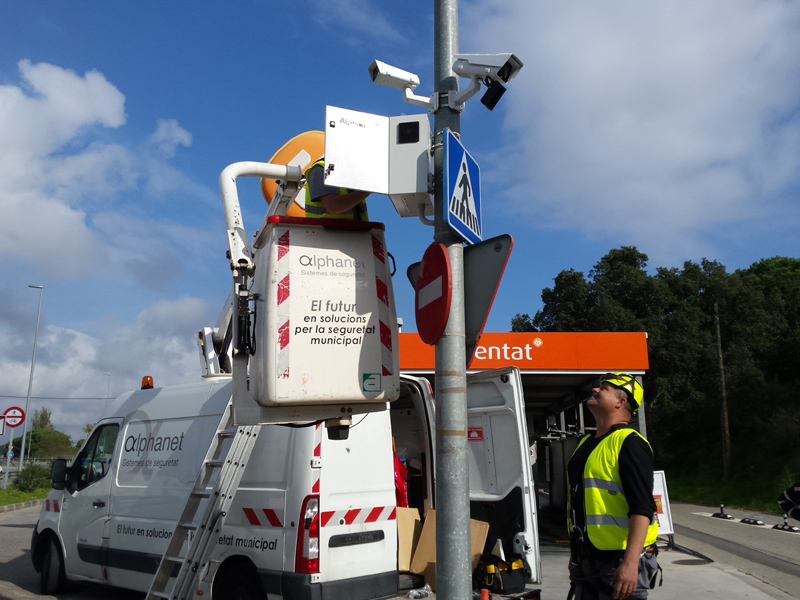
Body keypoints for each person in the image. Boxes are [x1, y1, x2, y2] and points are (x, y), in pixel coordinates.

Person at [567, 372, 660, 600]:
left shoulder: (630, 442)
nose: (595, 390)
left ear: (621, 402)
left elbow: (642, 507)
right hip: (588, 559)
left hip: (620, 561)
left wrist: (630, 563)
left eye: (604, 388)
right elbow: (580, 502)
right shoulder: (585, 444)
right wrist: (575, 553)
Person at [304, 158, 370, 220]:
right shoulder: (322, 168)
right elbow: (333, 207)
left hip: (354, 231)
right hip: (326, 231)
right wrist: (368, 189)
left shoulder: (350, 174)